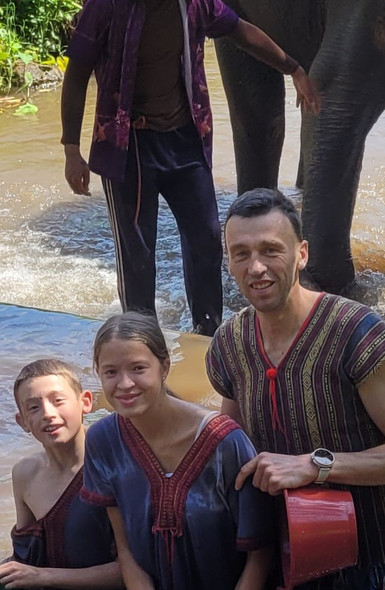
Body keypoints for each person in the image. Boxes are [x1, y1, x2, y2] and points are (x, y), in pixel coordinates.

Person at [206, 188, 385, 590]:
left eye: (271, 250)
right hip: (280, 569)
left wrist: (315, 466)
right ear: (229, 263)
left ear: (302, 254)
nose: (256, 268)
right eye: (241, 254)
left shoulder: (358, 332)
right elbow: (232, 452)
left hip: (371, 572)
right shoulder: (228, 344)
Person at [60, 0, 321, 337]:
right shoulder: (108, 7)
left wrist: (293, 68)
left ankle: (208, 334)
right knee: (137, 251)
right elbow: (78, 72)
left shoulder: (194, 4)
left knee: (208, 239)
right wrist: (71, 149)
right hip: (130, 145)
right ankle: (142, 339)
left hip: (185, 137)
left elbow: (241, 32)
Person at [80, 312, 274, 590]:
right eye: (110, 372)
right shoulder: (102, 440)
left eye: (138, 369)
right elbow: (125, 549)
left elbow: (260, 555)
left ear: (165, 366)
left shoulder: (225, 441)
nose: (124, 384)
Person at [0, 359, 122, 590]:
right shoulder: (24, 474)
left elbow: (132, 570)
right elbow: (26, 556)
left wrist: (43, 576)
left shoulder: (113, 465)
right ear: (23, 422)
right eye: (33, 407)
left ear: (85, 402)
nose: (47, 413)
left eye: (58, 400)